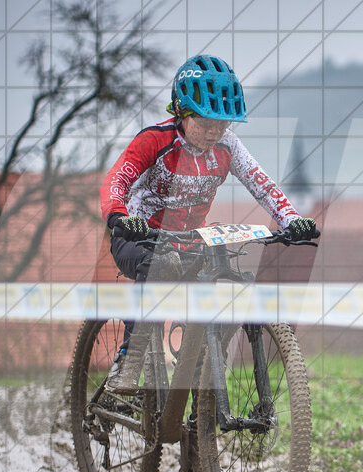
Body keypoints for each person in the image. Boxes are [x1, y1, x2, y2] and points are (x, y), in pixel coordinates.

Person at [99, 54, 318, 395]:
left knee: (218, 271)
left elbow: (263, 185)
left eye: (223, 123)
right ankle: (128, 361)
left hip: (186, 240)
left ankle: (198, 394)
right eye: (205, 122)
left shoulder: (227, 146)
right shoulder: (155, 141)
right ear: (181, 113)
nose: (215, 131)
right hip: (137, 236)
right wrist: (118, 215)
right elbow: (116, 181)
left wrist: (292, 219)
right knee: (163, 262)